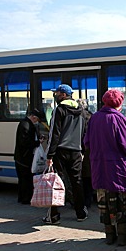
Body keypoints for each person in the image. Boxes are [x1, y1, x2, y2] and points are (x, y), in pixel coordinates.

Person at [84, 89, 126, 246]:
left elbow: (86, 143)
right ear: (120, 103)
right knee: (121, 201)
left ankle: (109, 235)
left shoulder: (94, 118)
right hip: (118, 167)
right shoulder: (119, 119)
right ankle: (122, 236)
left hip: (98, 165)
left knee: (104, 200)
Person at [43, 84, 87, 224]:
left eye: (56, 93)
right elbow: (84, 133)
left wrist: (49, 155)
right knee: (77, 182)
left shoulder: (59, 110)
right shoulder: (82, 111)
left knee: (56, 183)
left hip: (60, 151)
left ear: (62, 95)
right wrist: (82, 152)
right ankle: (80, 213)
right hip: (76, 151)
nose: (54, 95)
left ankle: (54, 216)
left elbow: (54, 135)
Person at [14, 108, 46, 204]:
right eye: (37, 120)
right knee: (25, 179)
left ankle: (25, 198)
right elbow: (24, 142)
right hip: (23, 158)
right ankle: (25, 199)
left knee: (26, 178)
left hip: (25, 157)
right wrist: (37, 142)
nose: (37, 122)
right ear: (33, 117)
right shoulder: (25, 125)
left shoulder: (29, 124)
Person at [77, 99, 94, 210]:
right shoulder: (91, 116)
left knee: (80, 178)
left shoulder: (76, 117)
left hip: (78, 150)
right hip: (89, 151)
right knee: (88, 178)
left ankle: (81, 201)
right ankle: (88, 200)